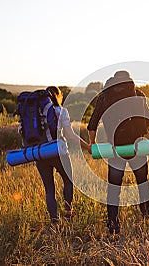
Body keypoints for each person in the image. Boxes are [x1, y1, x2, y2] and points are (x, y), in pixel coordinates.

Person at [87, 71, 149, 235]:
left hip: (115, 149)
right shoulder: (138, 94)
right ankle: (146, 215)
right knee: (142, 182)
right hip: (138, 147)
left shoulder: (105, 96)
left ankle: (113, 224)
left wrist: (92, 144)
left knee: (114, 188)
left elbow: (93, 122)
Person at [36, 86, 90, 224]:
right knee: (68, 180)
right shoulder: (61, 112)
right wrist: (87, 146)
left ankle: (54, 220)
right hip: (59, 152)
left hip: (40, 154)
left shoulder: (35, 114)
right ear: (58, 96)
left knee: (49, 188)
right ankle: (68, 211)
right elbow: (71, 136)